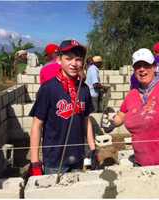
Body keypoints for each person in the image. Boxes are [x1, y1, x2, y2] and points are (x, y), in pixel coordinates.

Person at [101, 48, 159, 166]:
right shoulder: (132, 95)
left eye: (146, 65)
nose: (142, 69)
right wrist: (111, 122)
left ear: (154, 67)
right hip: (142, 164)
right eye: (138, 66)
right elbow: (121, 116)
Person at [29, 39, 98, 176]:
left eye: (78, 59)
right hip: (54, 161)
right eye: (69, 58)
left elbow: (86, 121)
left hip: (78, 157)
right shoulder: (48, 88)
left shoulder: (83, 89)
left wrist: (92, 148)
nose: (74, 63)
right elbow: (37, 125)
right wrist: (35, 162)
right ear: (59, 60)